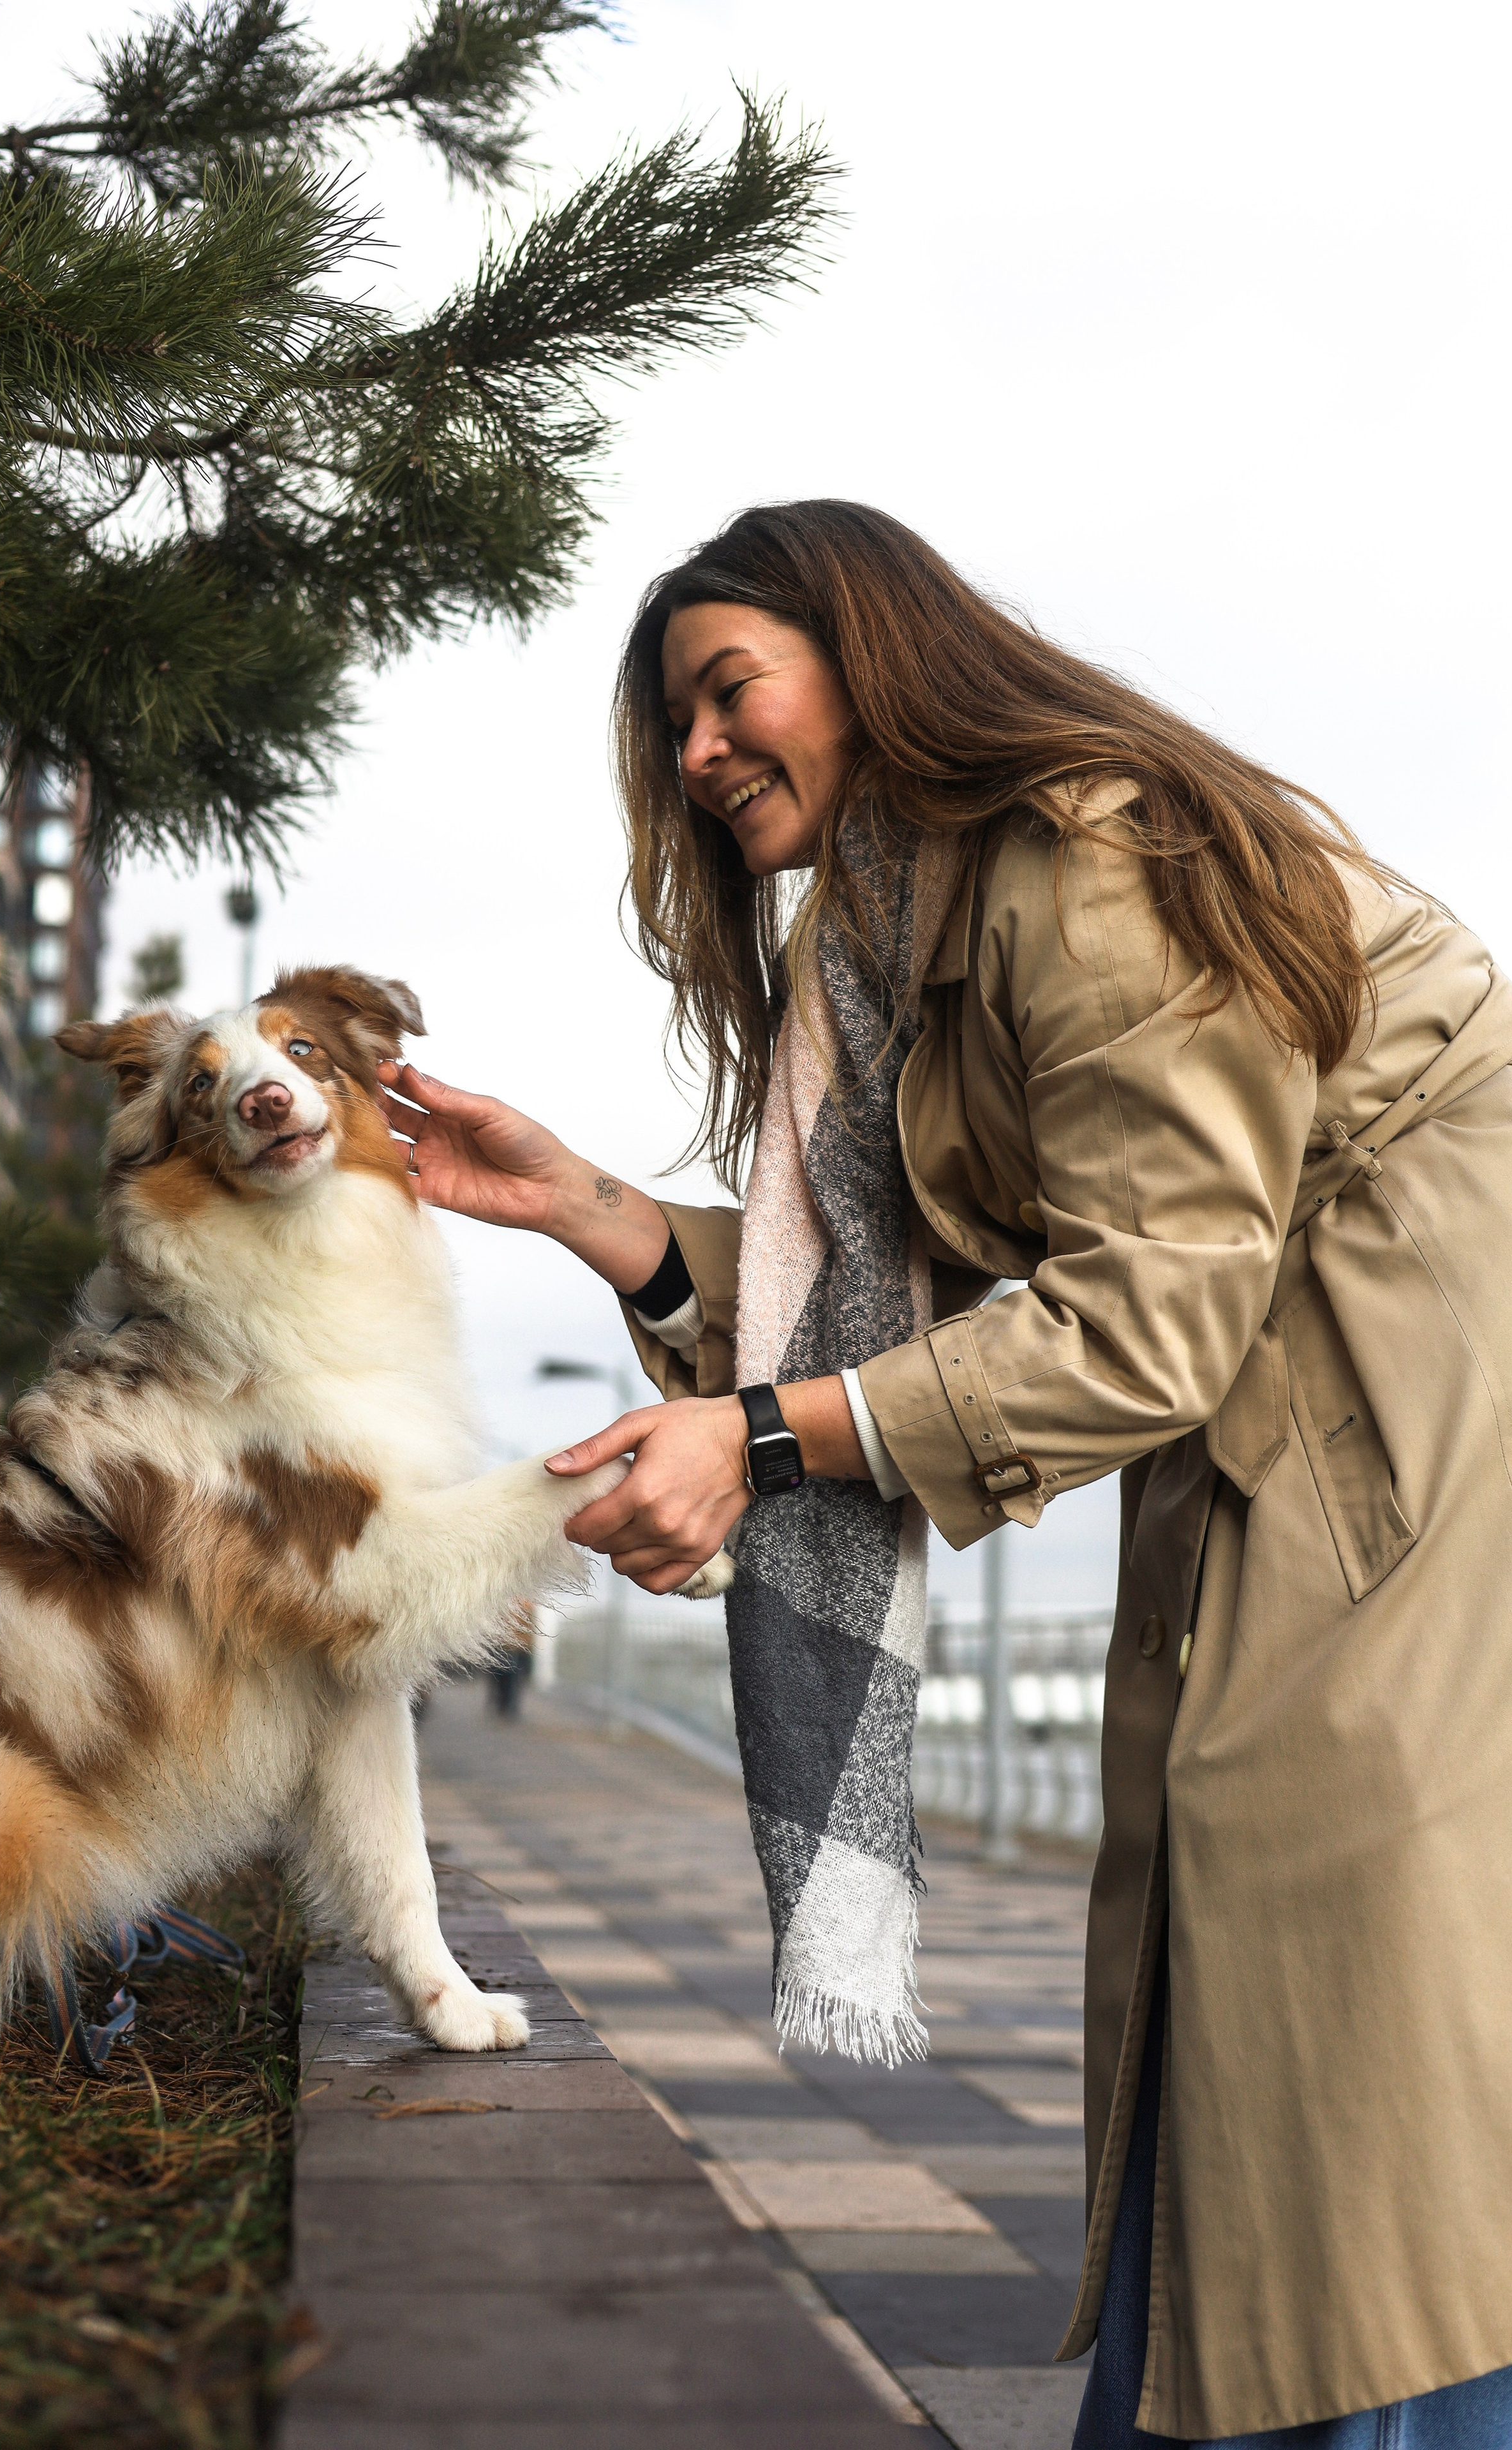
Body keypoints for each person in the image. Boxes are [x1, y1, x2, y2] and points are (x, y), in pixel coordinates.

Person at [376, 501, 1512, 2446]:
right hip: (1278, 1391)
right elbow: (886, 1286)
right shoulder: (906, 923)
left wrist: (754, 1439)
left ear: (873, 659)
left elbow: (1143, 1321)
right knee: (1248, 1969)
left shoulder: (1087, 860)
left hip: (1402, 1394)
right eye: (675, 726)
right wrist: (591, 1211)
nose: (698, 751)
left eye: (728, 690)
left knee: (1337, 1949)